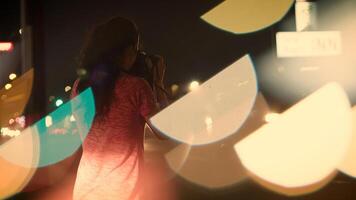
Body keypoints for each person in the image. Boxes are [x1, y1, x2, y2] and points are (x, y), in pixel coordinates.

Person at [70, 16, 161, 200]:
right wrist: (158, 82)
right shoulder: (137, 87)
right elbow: (165, 132)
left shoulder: (79, 87)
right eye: (136, 50)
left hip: (85, 191)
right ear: (128, 50)